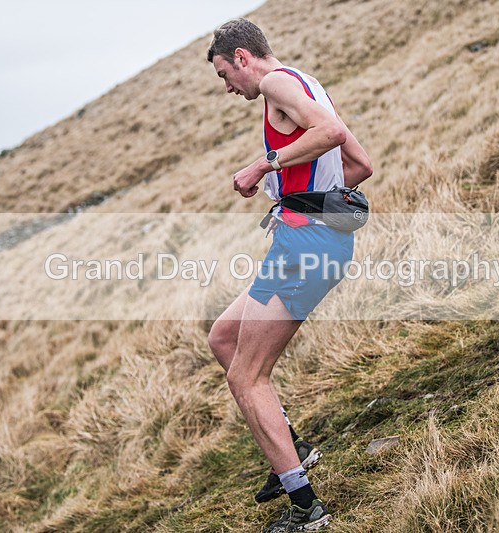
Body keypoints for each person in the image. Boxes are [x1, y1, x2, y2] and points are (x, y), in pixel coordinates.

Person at [206, 18, 372, 532]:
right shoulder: (304, 83)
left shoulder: (277, 83)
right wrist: (314, 200)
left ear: (241, 57)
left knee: (245, 376)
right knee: (223, 338)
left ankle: (306, 506)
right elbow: (360, 165)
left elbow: (333, 135)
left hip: (305, 245)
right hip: (310, 236)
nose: (228, 89)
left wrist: (262, 167)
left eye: (223, 76)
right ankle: (291, 447)